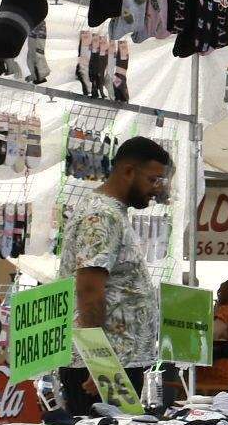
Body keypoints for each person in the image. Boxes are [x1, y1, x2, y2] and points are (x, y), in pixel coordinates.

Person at [61, 136, 172, 405]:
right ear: (128, 171)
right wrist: (98, 361)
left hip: (117, 361)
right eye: (153, 179)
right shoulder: (102, 215)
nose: (156, 189)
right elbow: (89, 289)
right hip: (103, 366)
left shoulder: (113, 213)